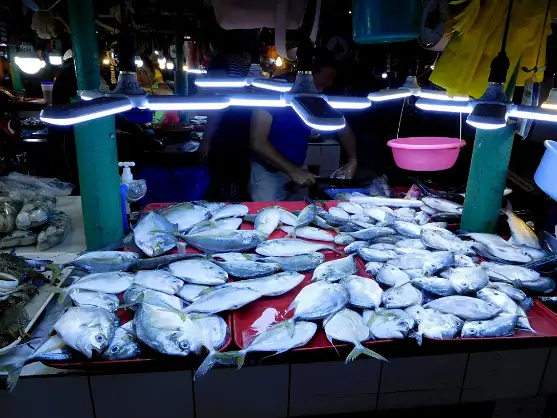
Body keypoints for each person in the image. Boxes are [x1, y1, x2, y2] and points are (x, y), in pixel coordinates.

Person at [249, 52, 358, 201]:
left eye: (326, 86)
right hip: (268, 172)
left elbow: (344, 129)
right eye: (320, 84)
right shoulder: (272, 90)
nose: (321, 90)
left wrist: (353, 159)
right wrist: (293, 171)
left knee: (301, 216)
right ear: (305, 76)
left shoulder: (318, 96)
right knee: (267, 218)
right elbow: (258, 142)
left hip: (298, 169)